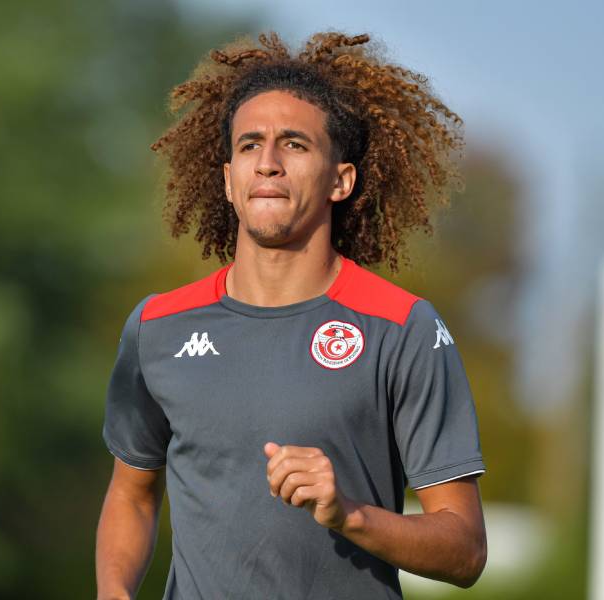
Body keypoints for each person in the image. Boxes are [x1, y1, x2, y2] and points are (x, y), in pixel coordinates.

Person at [96, 32, 487, 600]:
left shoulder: (403, 327)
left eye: (295, 145)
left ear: (340, 180)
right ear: (228, 179)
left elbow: (466, 550)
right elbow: (132, 495)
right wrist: (113, 592)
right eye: (250, 145)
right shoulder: (157, 327)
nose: (268, 164)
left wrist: (350, 514)